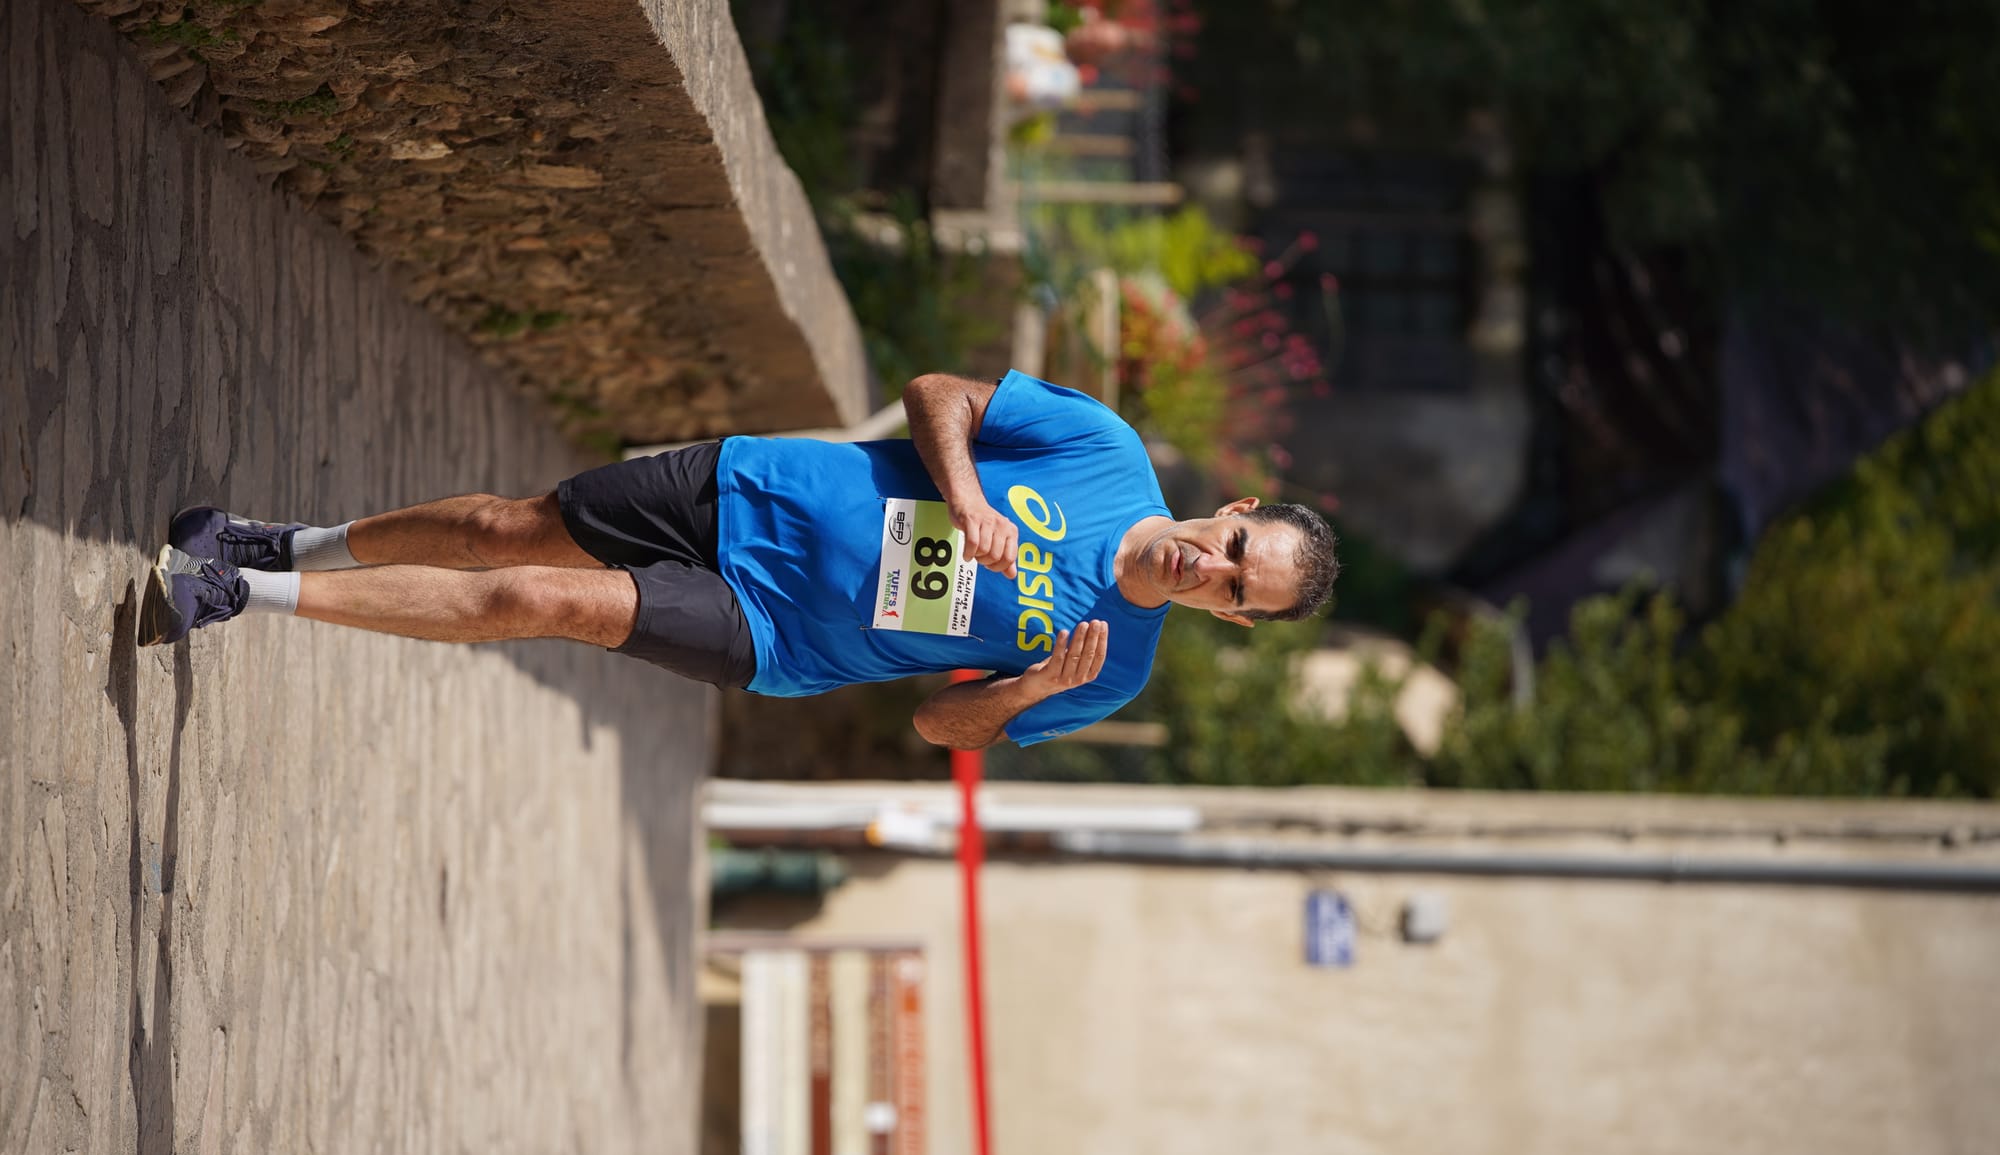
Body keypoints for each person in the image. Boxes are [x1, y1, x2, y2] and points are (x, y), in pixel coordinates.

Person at [140, 370, 1338, 748]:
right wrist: (967, 493)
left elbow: (937, 730)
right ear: (1229, 507)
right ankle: (289, 539)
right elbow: (932, 393)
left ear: (1234, 621)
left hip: (776, 637)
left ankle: (244, 590)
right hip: (751, 486)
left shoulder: (1113, 672)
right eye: (1237, 547)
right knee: (504, 529)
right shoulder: (1103, 447)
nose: (1213, 570)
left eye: (1239, 591)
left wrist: (1032, 690)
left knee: (531, 597)